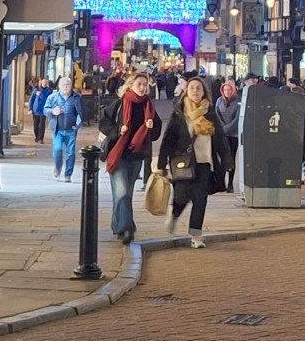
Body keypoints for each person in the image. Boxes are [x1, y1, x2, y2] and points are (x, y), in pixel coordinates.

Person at [157, 76, 233, 248]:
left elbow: (220, 138)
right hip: (183, 162)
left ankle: (196, 235)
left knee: (200, 199)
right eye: (192, 88)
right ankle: (174, 213)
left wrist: (227, 160)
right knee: (182, 196)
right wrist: (162, 164)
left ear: (204, 92)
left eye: (199, 88)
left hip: (205, 162)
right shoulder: (179, 113)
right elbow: (168, 139)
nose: (195, 92)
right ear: (186, 91)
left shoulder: (210, 112)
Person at [99, 70, 161, 245]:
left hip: (136, 155)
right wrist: (118, 130)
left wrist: (152, 126)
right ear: (131, 85)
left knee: (125, 193)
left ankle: (116, 224)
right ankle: (127, 228)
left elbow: (156, 133)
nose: (142, 88)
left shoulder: (148, 106)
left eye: (144, 85)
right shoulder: (120, 103)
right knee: (122, 192)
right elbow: (104, 122)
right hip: (118, 154)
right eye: (139, 84)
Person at [43, 76, 83, 182]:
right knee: (57, 149)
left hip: (71, 130)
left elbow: (80, 112)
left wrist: (78, 124)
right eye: (63, 85)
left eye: (68, 85)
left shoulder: (76, 97)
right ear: (59, 86)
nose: (65, 87)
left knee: (70, 153)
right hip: (57, 130)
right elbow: (45, 109)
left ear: (71, 86)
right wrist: (52, 111)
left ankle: (68, 174)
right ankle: (58, 167)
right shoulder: (53, 98)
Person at [214, 79, 240, 192]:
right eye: (225, 89)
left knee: (231, 158)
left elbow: (237, 118)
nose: (227, 91)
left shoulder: (238, 101)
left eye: (229, 89)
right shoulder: (219, 101)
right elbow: (216, 115)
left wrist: (227, 128)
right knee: (222, 158)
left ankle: (230, 184)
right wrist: (221, 129)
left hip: (233, 135)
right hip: (221, 135)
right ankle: (221, 183)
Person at [28, 77, 51, 144]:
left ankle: (41, 138)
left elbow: (47, 100)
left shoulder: (48, 91)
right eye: (43, 82)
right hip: (35, 110)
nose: (44, 84)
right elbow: (31, 99)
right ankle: (37, 137)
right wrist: (30, 108)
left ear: (47, 84)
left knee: (42, 125)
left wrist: (40, 95)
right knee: (35, 125)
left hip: (43, 111)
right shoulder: (36, 90)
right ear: (41, 83)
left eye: (45, 83)